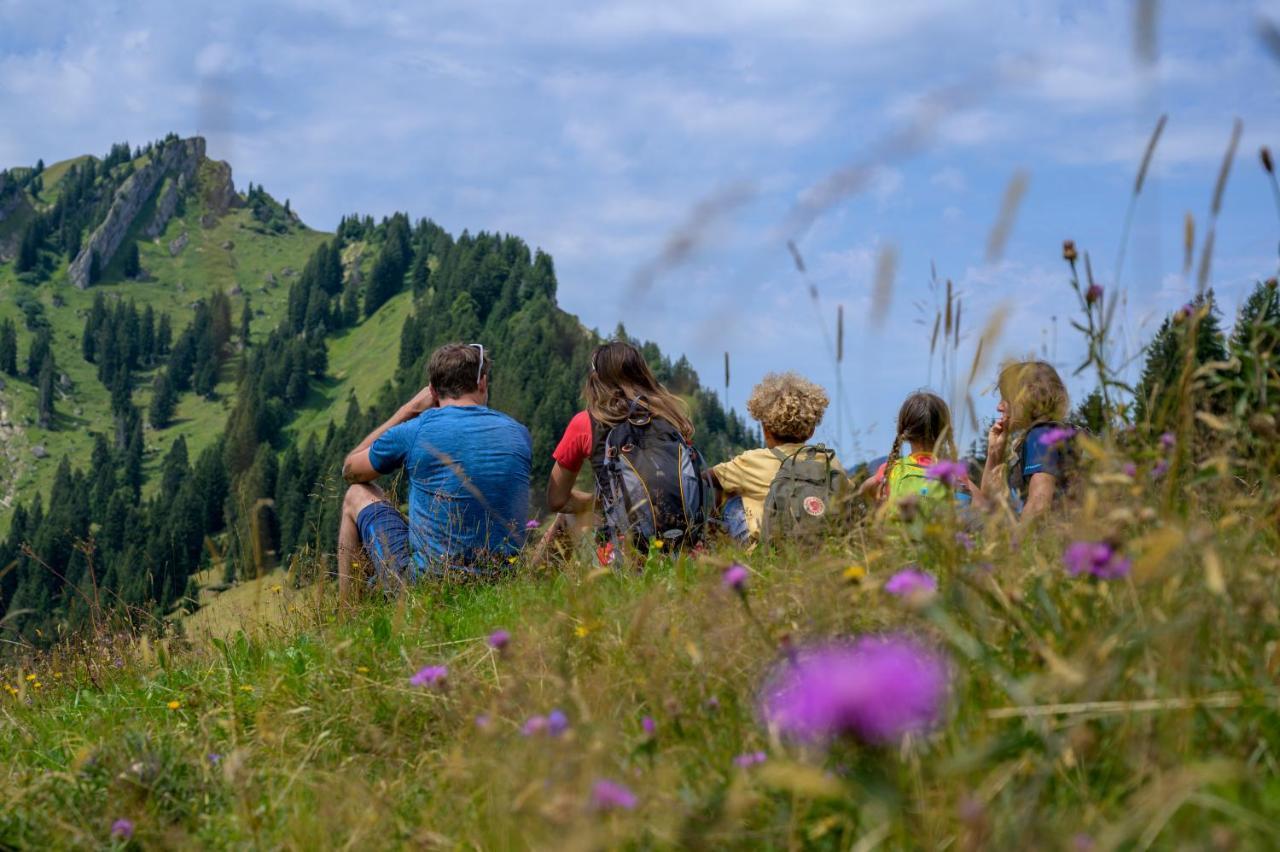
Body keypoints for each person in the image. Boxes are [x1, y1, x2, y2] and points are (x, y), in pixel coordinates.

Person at [337, 342, 532, 601]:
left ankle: (347, 618)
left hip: (428, 587)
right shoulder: (519, 432)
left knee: (356, 494)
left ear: (431, 391)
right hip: (503, 580)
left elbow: (350, 470)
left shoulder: (416, 429)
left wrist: (409, 409)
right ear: (482, 382)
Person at [545, 340, 703, 559]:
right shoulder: (673, 419)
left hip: (622, 554)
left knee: (566, 517)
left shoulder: (586, 423)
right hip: (685, 549)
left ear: (597, 379)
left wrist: (604, 503)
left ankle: (528, 583)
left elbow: (556, 499)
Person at [709, 372, 842, 545]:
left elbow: (705, 478)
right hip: (820, 549)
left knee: (734, 501)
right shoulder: (829, 461)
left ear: (766, 429)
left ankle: (736, 553)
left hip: (767, 549)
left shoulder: (751, 461)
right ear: (811, 431)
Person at [976, 359, 1072, 526]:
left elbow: (1039, 505)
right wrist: (994, 453)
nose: (999, 407)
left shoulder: (1041, 436)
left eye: (1005, 399)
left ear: (1026, 399)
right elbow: (988, 500)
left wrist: (1016, 547)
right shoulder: (1053, 433)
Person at [858, 391, 968, 515]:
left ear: (903, 430)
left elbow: (862, 491)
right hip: (938, 533)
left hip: (899, 533)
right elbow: (981, 505)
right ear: (946, 431)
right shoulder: (954, 472)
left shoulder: (891, 469)